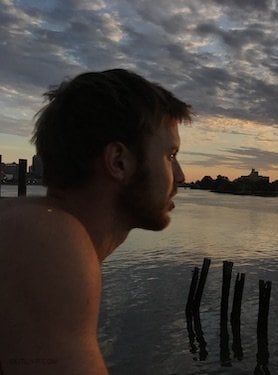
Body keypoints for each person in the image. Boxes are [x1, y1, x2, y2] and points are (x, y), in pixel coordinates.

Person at [0, 69, 192, 374]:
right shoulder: (48, 242)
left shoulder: (26, 222)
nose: (180, 175)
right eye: (170, 155)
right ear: (118, 161)